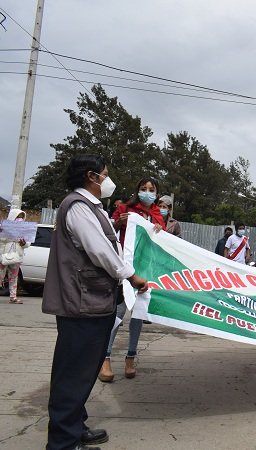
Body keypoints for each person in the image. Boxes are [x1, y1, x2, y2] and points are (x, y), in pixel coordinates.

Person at [42, 155, 149, 450]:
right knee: (73, 374)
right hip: (80, 303)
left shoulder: (91, 208)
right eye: (104, 175)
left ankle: (75, 426)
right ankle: (63, 442)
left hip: (92, 300)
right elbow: (100, 250)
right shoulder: (78, 207)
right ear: (91, 176)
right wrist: (131, 276)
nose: (108, 180)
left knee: (84, 371)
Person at [99, 177, 165, 383]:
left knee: (138, 314)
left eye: (151, 189)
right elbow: (108, 233)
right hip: (123, 268)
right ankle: (105, 358)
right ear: (137, 191)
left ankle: (131, 357)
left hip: (145, 269)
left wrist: (159, 231)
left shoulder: (157, 214)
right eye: (143, 188)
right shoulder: (125, 209)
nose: (147, 192)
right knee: (118, 313)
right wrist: (119, 222)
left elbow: (160, 241)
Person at [1, 209, 30, 304]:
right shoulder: (4, 227)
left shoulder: (25, 230)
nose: (20, 219)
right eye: (18, 217)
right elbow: (2, 240)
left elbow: (27, 244)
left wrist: (24, 243)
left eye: (22, 217)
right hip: (4, 255)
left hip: (17, 255)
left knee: (13, 277)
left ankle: (13, 297)